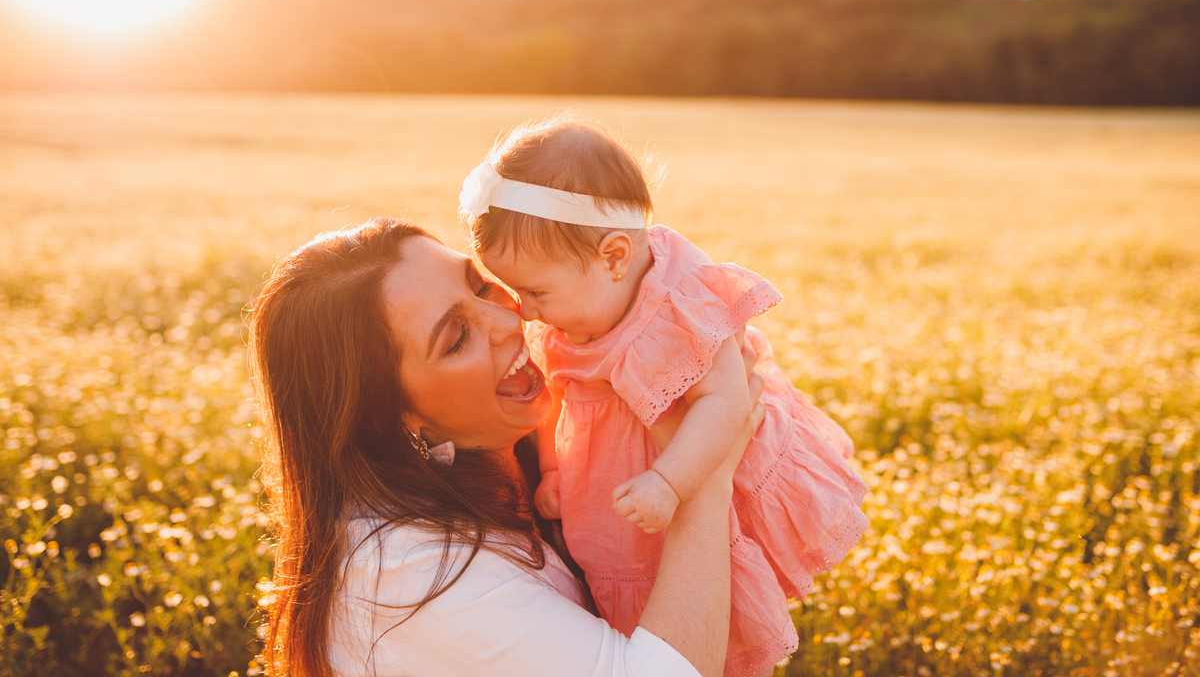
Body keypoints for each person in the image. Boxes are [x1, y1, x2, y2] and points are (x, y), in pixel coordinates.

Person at [249, 217, 766, 677]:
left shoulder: (529, 444)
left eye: (482, 286)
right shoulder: (404, 579)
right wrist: (703, 477)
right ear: (386, 419)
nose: (509, 320)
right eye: (456, 338)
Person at [460, 116, 870, 677]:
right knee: (637, 589)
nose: (525, 311)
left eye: (536, 291)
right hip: (619, 489)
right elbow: (561, 397)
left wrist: (670, 483)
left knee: (707, 587)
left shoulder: (678, 307)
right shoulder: (572, 318)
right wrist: (553, 471)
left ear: (614, 257)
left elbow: (727, 405)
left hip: (692, 470)